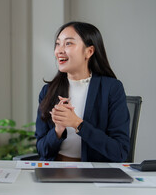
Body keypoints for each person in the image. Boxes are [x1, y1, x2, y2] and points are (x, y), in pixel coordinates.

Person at [35, 21, 129, 162]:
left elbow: (119, 152)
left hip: (95, 175)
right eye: (58, 44)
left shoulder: (112, 89)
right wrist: (58, 130)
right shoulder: (48, 91)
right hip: (56, 171)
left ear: (89, 51)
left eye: (68, 43)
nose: (59, 50)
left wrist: (78, 124)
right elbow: (42, 150)